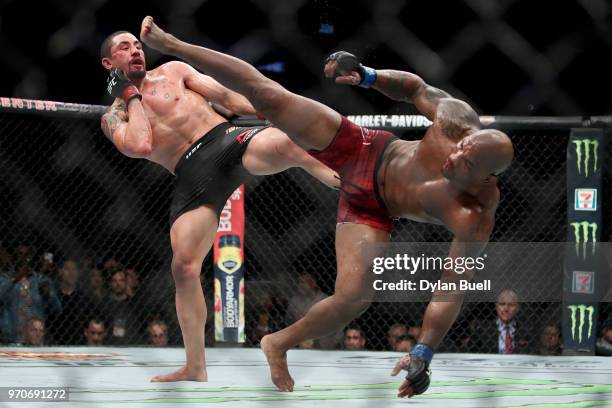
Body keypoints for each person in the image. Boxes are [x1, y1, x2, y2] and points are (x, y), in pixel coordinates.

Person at [139, 16, 513, 397]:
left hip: (373, 209)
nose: (454, 158)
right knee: (271, 97)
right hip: (364, 148)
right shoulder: (456, 122)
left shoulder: (474, 215)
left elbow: (451, 288)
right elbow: (414, 87)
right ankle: (175, 44)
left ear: (485, 177)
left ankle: (278, 343)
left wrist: (424, 351)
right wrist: (368, 75)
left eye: (465, 163)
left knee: (353, 300)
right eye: (462, 148)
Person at [99, 29, 338, 383]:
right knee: (182, 266)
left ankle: (353, 189)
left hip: (225, 140)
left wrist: (268, 110)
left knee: (293, 145)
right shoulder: (113, 116)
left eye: (137, 44)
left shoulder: (175, 71)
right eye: (125, 47)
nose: (135, 50)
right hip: (190, 172)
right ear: (109, 63)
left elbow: (227, 97)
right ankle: (195, 366)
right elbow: (143, 143)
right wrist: (130, 95)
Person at [467, 289, 531, 354]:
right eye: (502, 304)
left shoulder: (526, 330)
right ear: (496, 307)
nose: (506, 309)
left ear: (517, 308)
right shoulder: (482, 329)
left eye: (511, 305)